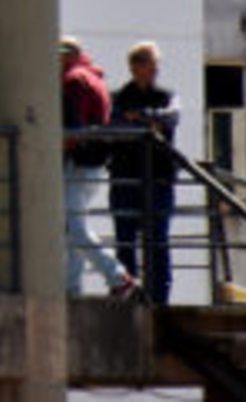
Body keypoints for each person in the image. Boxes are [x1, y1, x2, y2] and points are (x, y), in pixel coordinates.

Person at [60, 38, 140, 300]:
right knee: (73, 227)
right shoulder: (94, 79)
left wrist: (58, 145)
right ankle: (71, 289)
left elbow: (75, 129)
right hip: (93, 164)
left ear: (67, 55)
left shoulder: (74, 80)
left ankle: (117, 276)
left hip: (79, 163)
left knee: (72, 228)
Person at [108, 42, 180, 304]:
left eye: (156, 64)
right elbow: (113, 124)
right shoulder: (118, 98)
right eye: (150, 64)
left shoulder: (167, 96)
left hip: (159, 179)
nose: (156, 70)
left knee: (157, 241)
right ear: (135, 67)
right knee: (125, 240)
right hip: (126, 178)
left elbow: (171, 117)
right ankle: (129, 295)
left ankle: (160, 299)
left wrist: (139, 117)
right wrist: (149, 121)